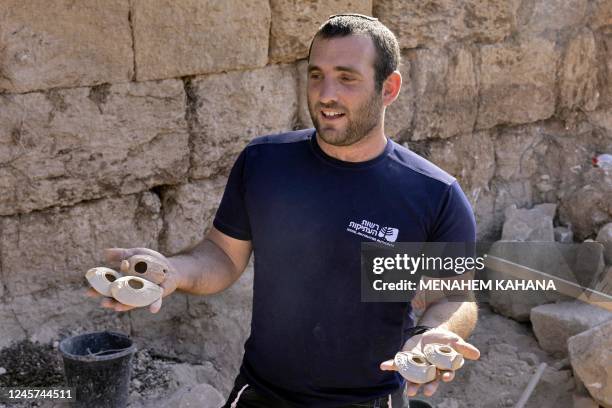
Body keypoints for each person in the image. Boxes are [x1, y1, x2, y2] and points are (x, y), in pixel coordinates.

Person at [88, 14, 480, 408]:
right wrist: (174, 271)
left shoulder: (434, 193)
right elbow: (223, 255)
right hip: (262, 392)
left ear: (388, 87)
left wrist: (432, 333)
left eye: (346, 78)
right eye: (316, 75)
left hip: (372, 398)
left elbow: (454, 295)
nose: (326, 94)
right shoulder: (265, 163)